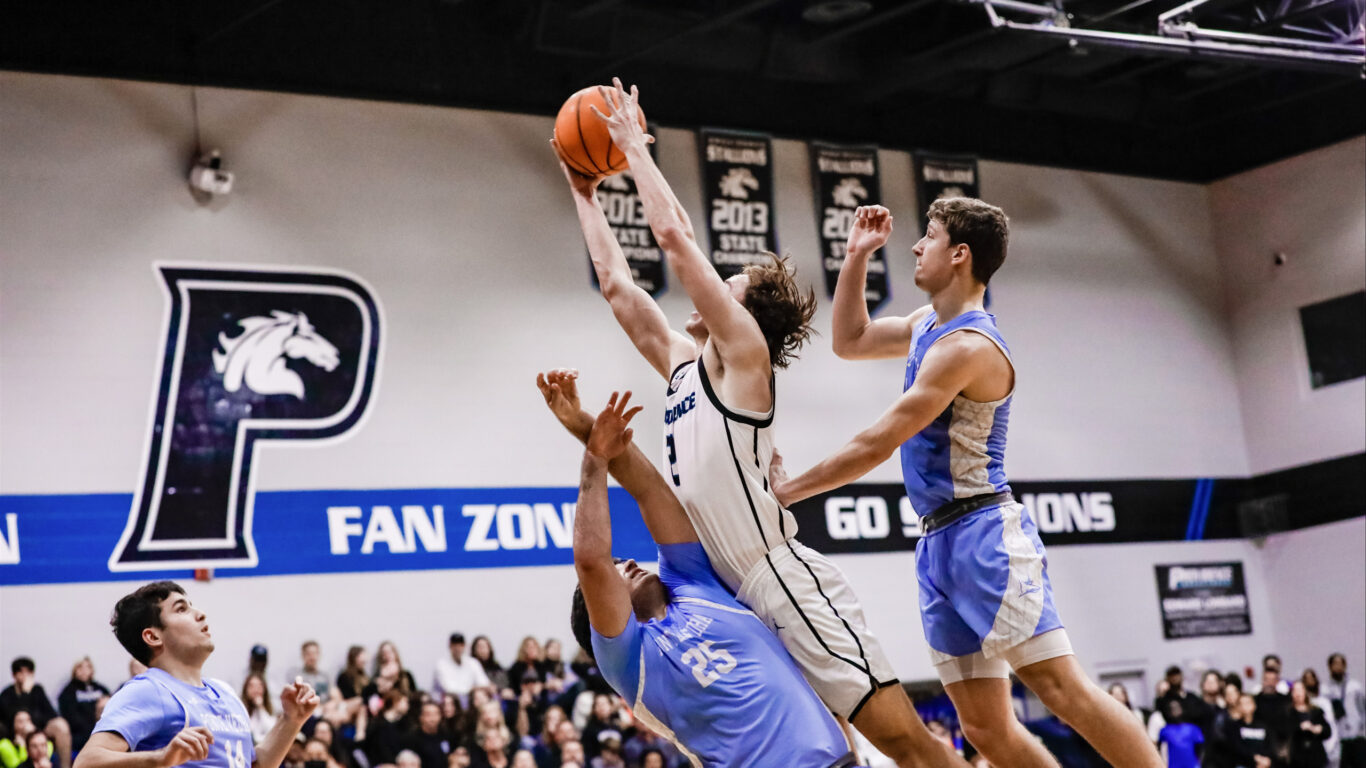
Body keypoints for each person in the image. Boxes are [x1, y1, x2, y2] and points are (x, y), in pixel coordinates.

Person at [556, 79, 964, 768]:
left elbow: (673, 237)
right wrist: (583, 192)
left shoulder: (744, 364)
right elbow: (620, 289)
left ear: (743, 316)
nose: (713, 283)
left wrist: (631, 148)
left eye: (730, 283)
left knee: (907, 743)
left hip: (777, 580)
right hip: (728, 596)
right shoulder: (685, 368)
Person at [768, 201, 1162, 768]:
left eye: (927, 237)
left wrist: (787, 492)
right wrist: (854, 256)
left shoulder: (968, 347)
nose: (915, 246)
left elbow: (878, 441)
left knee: (1060, 690)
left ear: (959, 255)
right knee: (984, 729)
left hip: (986, 535)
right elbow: (850, 340)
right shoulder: (928, 325)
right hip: (938, 544)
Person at [543, 382, 857, 767]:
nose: (628, 565)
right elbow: (591, 560)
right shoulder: (628, 660)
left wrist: (584, 426)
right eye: (617, 571)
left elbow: (649, 490)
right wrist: (593, 456)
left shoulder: (691, 583)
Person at [72, 581, 319, 768]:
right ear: (153, 636)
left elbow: (256, 764)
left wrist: (291, 721)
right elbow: (86, 762)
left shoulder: (226, 692)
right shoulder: (149, 690)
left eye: (191, 606)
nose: (199, 614)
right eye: (181, 609)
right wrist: (160, 759)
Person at [1, 658, 72, 768]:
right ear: (14, 675)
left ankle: (65, 766)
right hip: (17, 732)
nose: (25, 676)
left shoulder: (37, 690)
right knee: (25, 724)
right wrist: (25, 693)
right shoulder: (7, 694)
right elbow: (13, 717)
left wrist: (35, 724)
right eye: (21, 672)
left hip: (38, 728)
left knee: (61, 725)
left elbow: (51, 714)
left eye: (28, 672)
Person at [58, 658, 112, 752]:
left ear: (92, 670)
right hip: (81, 733)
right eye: (80, 667)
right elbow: (69, 715)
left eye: (87, 667)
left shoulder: (100, 688)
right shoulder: (69, 691)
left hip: (103, 728)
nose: (83, 670)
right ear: (75, 670)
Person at [1324, 654, 1365, 768]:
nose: (1338, 667)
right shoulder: (1326, 689)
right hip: (1339, 738)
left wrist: (1361, 727)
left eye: (1340, 664)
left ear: (1344, 666)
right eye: (1335, 664)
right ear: (1330, 667)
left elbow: (1363, 709)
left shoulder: (1355, 686)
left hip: (1357, 736)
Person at [435, 635, 490, 707]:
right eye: (455, 645)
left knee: (482, 695)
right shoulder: (441, 665)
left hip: (469, 699)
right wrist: (471, 689)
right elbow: (449, 689)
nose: (457, 648)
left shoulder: (472, 662)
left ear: (464, 646)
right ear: (450, 646)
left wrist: (475, 689)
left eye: (460, 645)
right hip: (448, 700)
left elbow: (484, 683)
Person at [1288, 681, 1332, 768]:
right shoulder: (1288, 712)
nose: (1298, 693)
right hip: (1297, 757)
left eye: (1300, 690)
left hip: (1316, 756)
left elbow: (1328, 731)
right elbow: (1284, 730)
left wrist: (1319, 729)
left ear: (1305, 692)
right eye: (1295, 690)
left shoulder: (1316, 711)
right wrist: (1300, 727)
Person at [1157, 701, 1203, 768]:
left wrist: (1199, 763)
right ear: (1168, 712)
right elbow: (1159, 748)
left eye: (1177, 707)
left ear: (1182, 709)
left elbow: (1200, 748)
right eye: (1172, 708)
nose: (1175, 710)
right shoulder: (1165, 731)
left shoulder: (1192, 728)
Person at [243, 674, 279, 744]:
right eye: (251, 686)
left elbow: (271, 729)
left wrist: (261, 707)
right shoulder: (241, 707)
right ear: (246, 689)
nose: (255, 690)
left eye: (259, 686)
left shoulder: (269, 707)